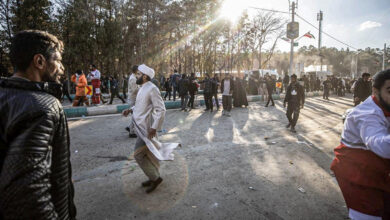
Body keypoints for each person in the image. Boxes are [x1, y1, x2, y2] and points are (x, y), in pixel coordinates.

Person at [0, 30, 76, 219]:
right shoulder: (43, 107)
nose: (62, 68)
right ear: (40, 62)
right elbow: (28, 194)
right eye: (57, 61)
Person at [330, 69, 390, 220]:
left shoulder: (383, 104)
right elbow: (381, 145)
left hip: (378, 169)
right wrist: (357, 98)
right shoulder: (367, 115)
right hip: (358, 174)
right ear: (375, 91)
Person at [122, 64, 179, 193]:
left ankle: (155, 178)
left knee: (138, 155)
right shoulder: (142, 88)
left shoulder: (152, 89)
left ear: (145, 76)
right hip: (141, 127)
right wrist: (130, 110)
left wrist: (154, 128)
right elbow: (140, 106)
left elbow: (161, 109)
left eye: (138, 74)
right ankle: (153, 176)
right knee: (150, 154)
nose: (136, 76)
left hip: (147, 129)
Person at [126, 65, 139, 138]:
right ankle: (131, 131)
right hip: (133, 99)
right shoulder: (133, 79)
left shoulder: (134, 77)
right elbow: (135, 90)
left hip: (133, 98)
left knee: (135, 115)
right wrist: (142, 88)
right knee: (135, 115)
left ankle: (130, 127)